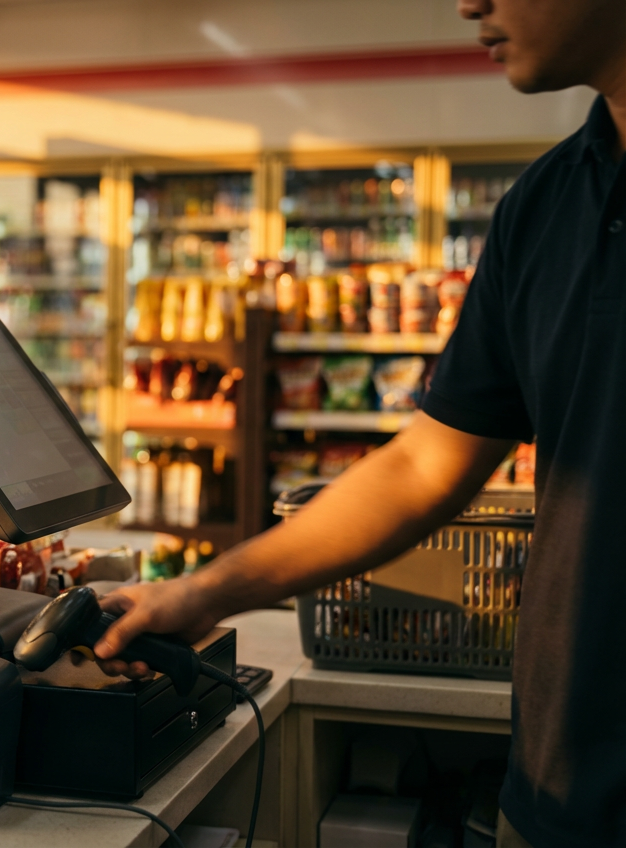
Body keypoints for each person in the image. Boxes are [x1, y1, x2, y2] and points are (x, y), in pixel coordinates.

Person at [94, 1, 626, 846]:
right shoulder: (545, 205)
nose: (468, 3)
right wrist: (198, 593)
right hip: (553, 795)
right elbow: (423, 466)